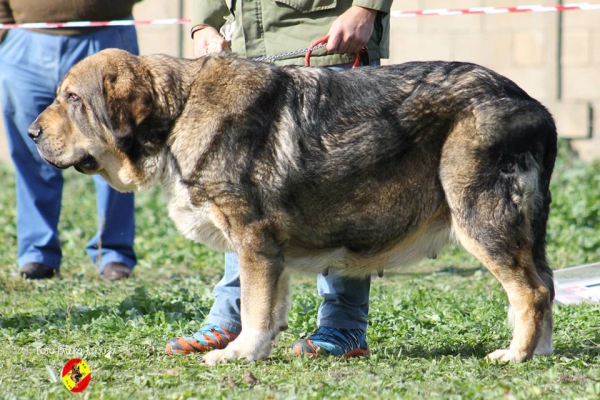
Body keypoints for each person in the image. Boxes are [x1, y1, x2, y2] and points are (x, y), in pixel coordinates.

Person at [166, 0, 392, 358]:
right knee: (237, 197)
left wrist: (366, 8)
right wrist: (204, 24)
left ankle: (343, 325)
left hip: (324, 38)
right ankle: (235, 318)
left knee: (339, 189)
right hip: (245, 50)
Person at [0, 0, 142, 281]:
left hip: (105, 36)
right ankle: (37, 254)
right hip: (25, 38)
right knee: (31, 152)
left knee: (117, 145)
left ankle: (113, 252)